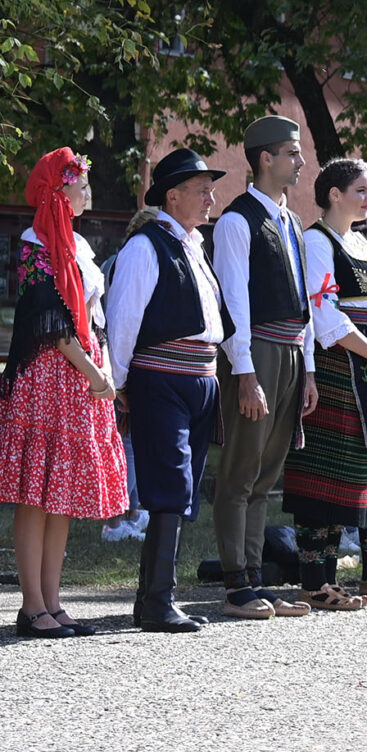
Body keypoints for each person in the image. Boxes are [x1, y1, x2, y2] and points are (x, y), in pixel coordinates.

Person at [1, 149, 127, 637]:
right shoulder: (36, 244)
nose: (87, 188)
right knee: (36, 493)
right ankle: (32, 604)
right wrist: (95, 372)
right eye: (80, 182)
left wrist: (103, 369)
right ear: (59, 190)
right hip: (48, 377)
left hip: (77, 378)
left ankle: (52, 600)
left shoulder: (77, 245)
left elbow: (92, 317)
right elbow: (52, 324)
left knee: (59, 495)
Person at [106, 148, 232, 633]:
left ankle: (153, 598)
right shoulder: (146, 246)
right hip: (162, 375)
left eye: (210, 189)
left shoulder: (194, 246)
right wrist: (118, 383)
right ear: (172, 196)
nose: (210, 198)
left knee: (183, 486)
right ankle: (158, 599)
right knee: (170, 485)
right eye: (201, 190)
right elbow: (123, 320)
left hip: (198, 377)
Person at [281, 159, 367, 609]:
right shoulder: (318, 242)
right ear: (334, 194)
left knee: (353, 473)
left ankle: (331, 578)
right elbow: (325, 313)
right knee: (325, 475)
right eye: (361, 191)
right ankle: (314, 580)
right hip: (338, 366)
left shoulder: (361, 245)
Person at [210, 115, 318, 620]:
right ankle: (236, 584)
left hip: (291, 353)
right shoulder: (237, 221)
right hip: (256, 355)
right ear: (265, 159)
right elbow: (234, 304)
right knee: (241, 471)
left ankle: (256, 577)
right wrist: (246, 373)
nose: (300, 162)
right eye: (292, 153)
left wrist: (310, 368)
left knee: (267, 472)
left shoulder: (290, 221)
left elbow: (305, 304)